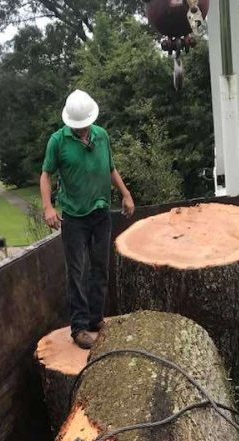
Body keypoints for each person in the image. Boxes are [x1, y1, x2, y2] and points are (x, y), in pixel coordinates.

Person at [40, 89, 135, 349]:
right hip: (74, 218)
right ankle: (79, 327)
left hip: (101, 213)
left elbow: (110, 168)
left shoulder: (102, 136)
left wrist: (126, 194)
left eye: (85, 125)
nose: (82, 129)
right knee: (77, 272)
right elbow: (46, 175)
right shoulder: (57, 141)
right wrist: (48, 207)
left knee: (100, 268)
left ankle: (95, 319)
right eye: (77, 126)